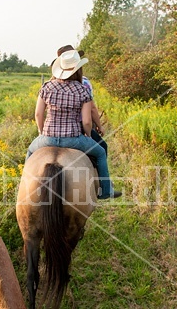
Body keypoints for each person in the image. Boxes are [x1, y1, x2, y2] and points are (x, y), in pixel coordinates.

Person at [26, 49, 121, 199]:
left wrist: (41, 132)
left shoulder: (46, 87)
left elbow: (38, 114)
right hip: (73, 139)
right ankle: (106, 191)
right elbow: (87, 121)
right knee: (101, 153)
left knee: (31, 153)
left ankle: (24, 189)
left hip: (48, 137)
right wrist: (88, 136)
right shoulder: (83, 90)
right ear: (78, 69)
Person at [55, 45, 107, 155]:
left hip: (53, 130)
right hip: (77, 129)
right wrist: (99, 126)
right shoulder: (84, 83)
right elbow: (91, 110)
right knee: (102, 149)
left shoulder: (51, 84)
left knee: (32, 152)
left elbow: (39, 113)